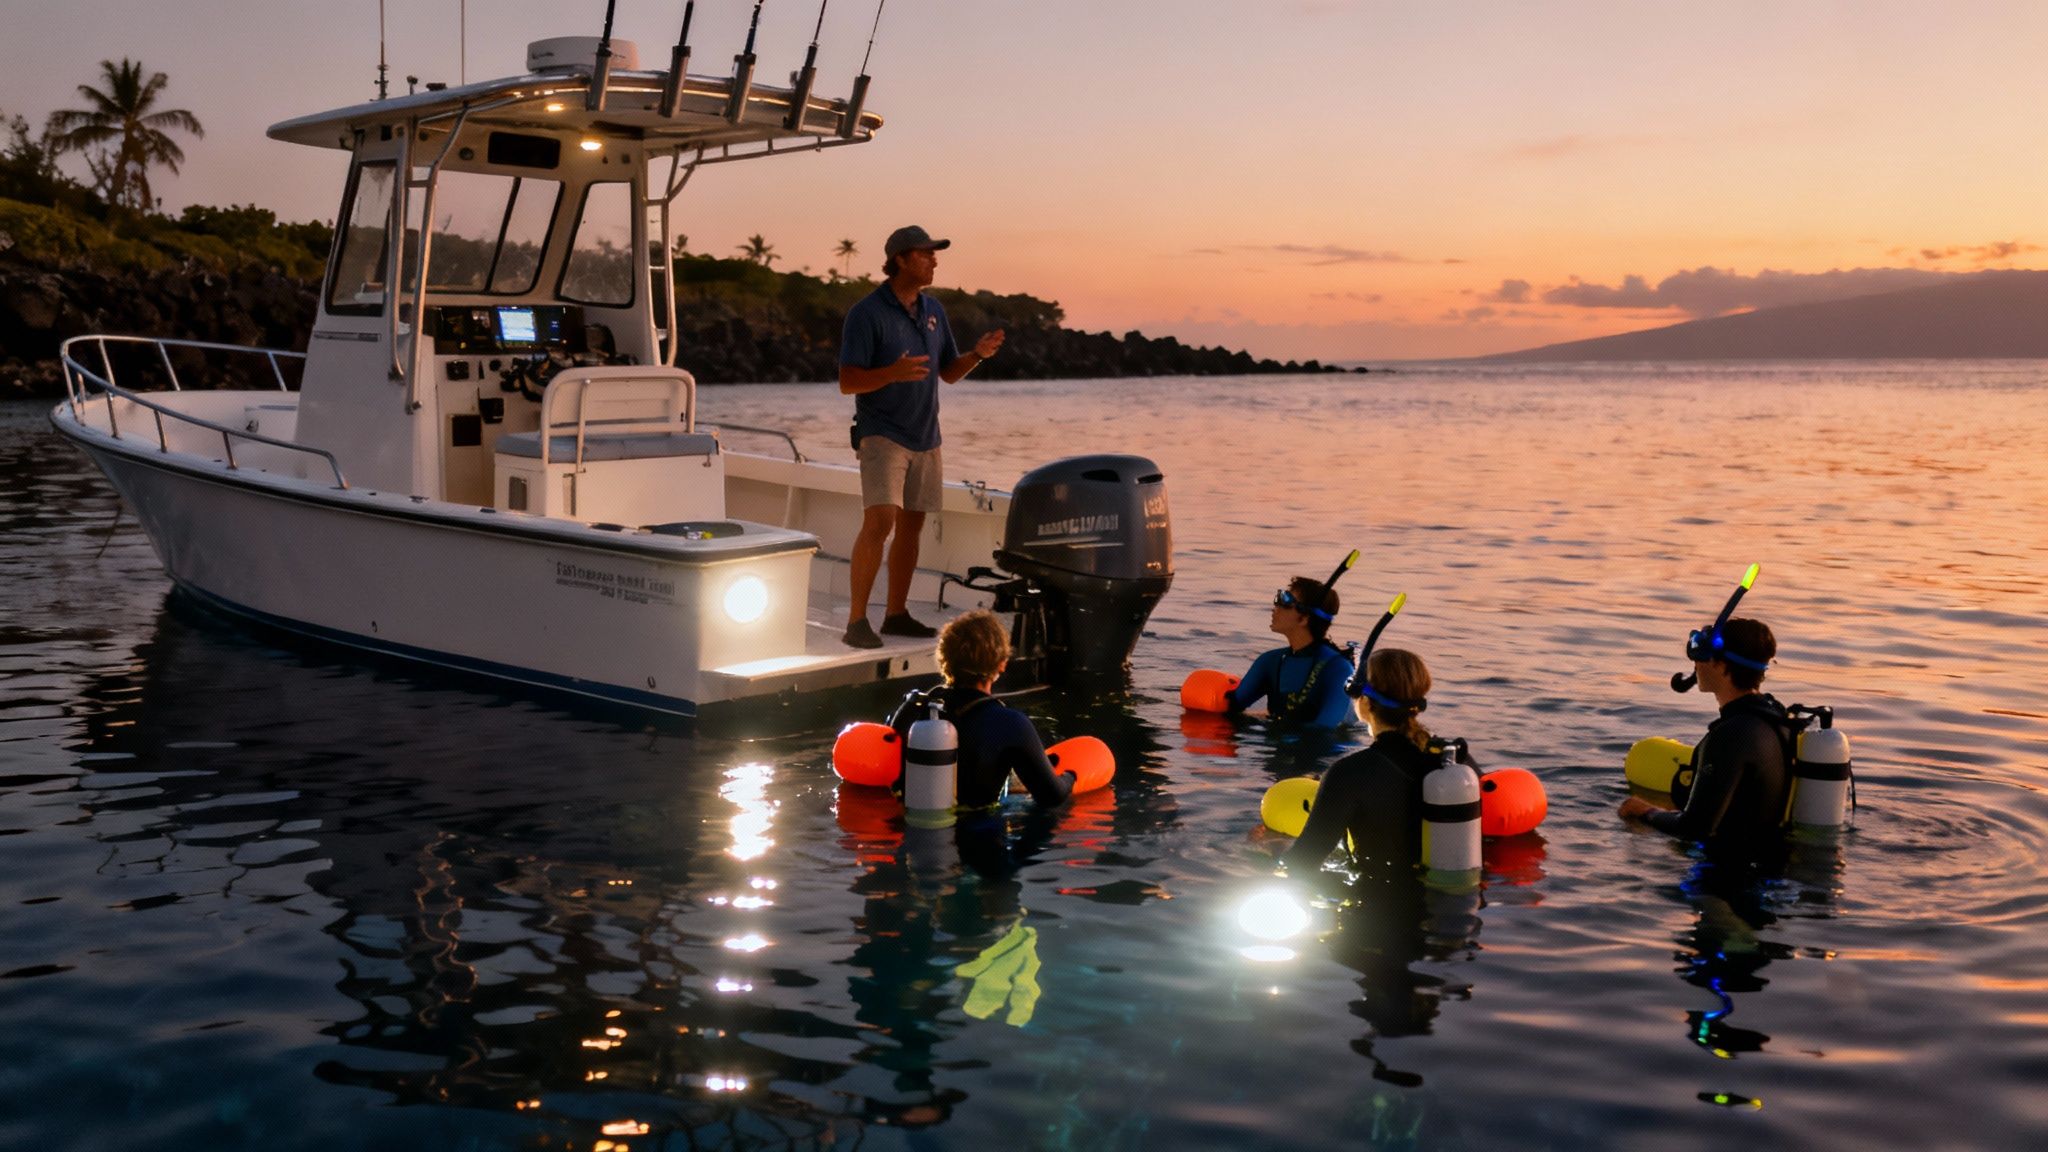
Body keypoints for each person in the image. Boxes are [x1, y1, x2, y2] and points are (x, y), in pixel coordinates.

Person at [837, 226, 1006, 649]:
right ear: (900, 259)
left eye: (934, 254)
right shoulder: (867, 313)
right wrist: (890, 373)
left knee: (912, 525)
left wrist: (977, 356)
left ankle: (896, 615)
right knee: (880, 522)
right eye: (926, 254)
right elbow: (847, 381)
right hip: (882, 434)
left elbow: (947, 372)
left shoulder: (934, 310)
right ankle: (857, 621)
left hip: (926, 435)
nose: (934, 260)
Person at [1618, 617, 1795, 867]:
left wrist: (1645, 811)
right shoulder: (1774, 717)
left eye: (1703, 657)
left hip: (1728, 882)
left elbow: (1694, 829)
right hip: (1770, 863)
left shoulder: (1731, 734)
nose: (1696, 665)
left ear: (1722, 667)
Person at [1277, 648, 1443, 883]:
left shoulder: (1351, 773)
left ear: (1364, 702)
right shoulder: (1454, 761)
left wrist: (1273, 848)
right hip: (1449, 909)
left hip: (1374, 909)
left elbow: (1302, 862)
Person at [885, 610, 1074, 813]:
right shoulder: (1011, 723)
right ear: (1002, 664)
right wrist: (1071, 775)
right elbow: (1051, 796)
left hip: (912, 832)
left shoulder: (914, 709)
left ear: (944, 659)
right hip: (980, 838)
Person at [1224, 576, 1355, 728]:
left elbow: (1325, 730)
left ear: (1304, 618)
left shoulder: (1338, 669)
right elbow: (1229, 707)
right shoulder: (1270, 662)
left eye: (1285, 601)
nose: (1275, 607)